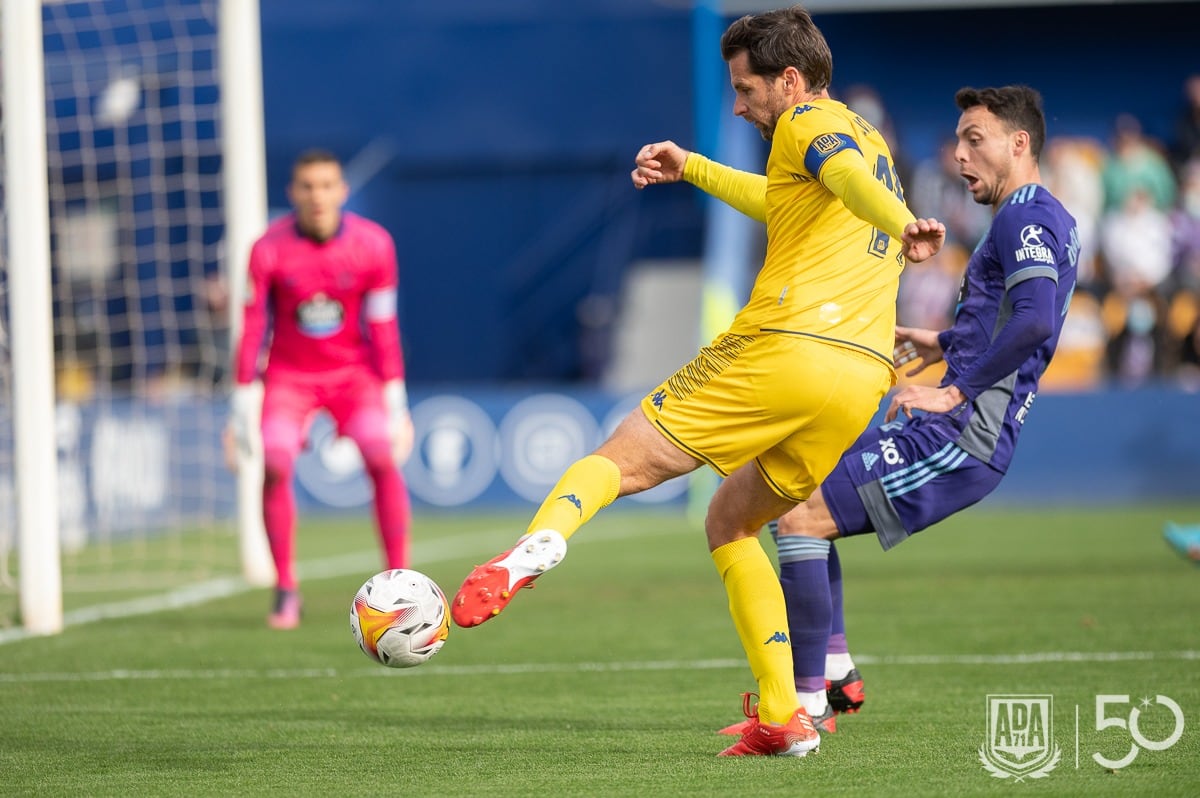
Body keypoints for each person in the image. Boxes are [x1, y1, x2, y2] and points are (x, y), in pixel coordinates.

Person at [449, 5, 944, 758]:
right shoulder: (864, 137)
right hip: (858, 377)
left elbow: (843, 180)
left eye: (746, 90)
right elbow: (789, 201)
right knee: (732, 522)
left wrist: (904, 220)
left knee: (621, 456)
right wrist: (693, 168)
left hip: (785, 346)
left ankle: (535, 547)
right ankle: (784, 715)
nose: (739, 105)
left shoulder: (807, 124)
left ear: (790, 79)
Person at [726, 85, 1079, 733]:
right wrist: (942, 343)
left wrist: (954, 389)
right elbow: (1016, 318)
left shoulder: (1026, 217)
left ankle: (806, 706)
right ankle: (832, 675)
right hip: (959, 424)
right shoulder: (1030, 217)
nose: (960, 154)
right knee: (796, 500)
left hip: (964, 434)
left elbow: (1034, 325)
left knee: (799, 516)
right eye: (958, 140)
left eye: (976, 139)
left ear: (1019, 143)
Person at [229, 149, 415, 630]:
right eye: (307, 186)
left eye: (326, 185)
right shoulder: (267, 249)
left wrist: (397, 405)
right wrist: (241, 405)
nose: (317, 196)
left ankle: (399, 582)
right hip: (290, 377)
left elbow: (384, 325)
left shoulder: (374, 245)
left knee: (380, 453)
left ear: (342, 191)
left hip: (354, 376)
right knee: (272, 459)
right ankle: (286, 587)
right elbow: (252, 327)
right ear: (293, 193)